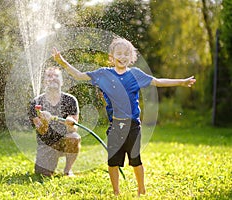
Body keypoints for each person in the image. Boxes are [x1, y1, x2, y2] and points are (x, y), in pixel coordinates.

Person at [52, 37, 196, 196]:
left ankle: (141, 190)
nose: (123, 56)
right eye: (119, 53)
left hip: (133, 125)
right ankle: (116, 192)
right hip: (115, 126)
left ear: (131, 57)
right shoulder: (103, 74)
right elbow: (79, 75)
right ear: (111, 57)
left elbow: (157, 81)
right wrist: (62, 62)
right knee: (113, 162)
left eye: (126, 54)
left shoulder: (135, 74)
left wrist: (181, 82)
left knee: (135, 160)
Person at [28, 67, 81, 177]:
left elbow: (73, 128)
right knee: (44, 174)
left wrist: (69, 121)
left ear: (62, 81)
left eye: (56, 76)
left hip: (64, 140)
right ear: (44, 82)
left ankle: (67, 170)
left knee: (74, 138)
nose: (53, 78)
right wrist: (44, 121)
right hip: (47, 144)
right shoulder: (36, 103)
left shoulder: (70, 100)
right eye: (49, 76)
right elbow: (42, 131)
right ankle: (48, 163)